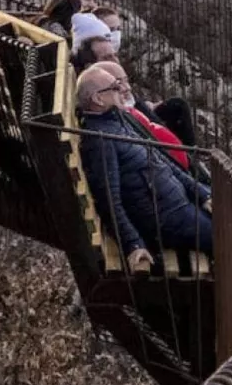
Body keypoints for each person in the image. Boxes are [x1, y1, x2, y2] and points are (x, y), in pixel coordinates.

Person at [76, 69, 213, 271]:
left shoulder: (117, 121)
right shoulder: (100, 140)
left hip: (177, 204)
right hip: (166, 221)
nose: (123, 89)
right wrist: (133, 243)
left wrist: (202, 194)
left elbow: (163, 163)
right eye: (115, 86)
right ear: (98, 99)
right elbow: (108, 198)